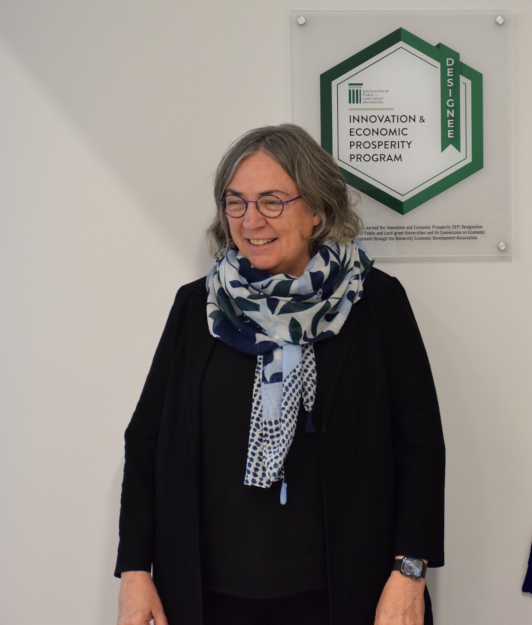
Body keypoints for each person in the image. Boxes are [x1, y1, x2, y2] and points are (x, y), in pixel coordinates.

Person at [114, 124, 445, 625]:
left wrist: (410, 573)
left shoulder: (375, 303)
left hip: (346, 594)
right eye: (236, 202)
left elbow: (419, 446)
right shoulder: (197, 308)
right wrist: (136, 574)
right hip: (209, 596)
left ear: (317, 211)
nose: (251, 220)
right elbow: (146, 443)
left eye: (271, 201)